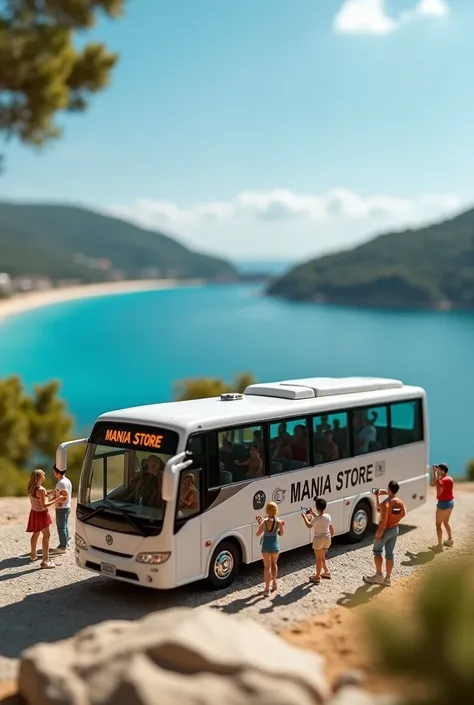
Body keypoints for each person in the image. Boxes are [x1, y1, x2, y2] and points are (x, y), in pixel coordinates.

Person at [363, 480, 406, 587]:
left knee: (377, 551)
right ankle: (387, 579)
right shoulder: (400, 502)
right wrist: (395, 520)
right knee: (390, 553)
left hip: (386, 530)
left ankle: (378, 575)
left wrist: (379, 533)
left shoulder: (386, 503)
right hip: (395, 529)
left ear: (389, 489)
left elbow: (383, 520)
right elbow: (404, 513)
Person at [26, 469, 65, 569]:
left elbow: (39, 499)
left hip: (34, 513)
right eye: (43, 475)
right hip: (42, 514)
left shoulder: (30, 487)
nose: (45, 477)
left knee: (35, 533)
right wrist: (57, 499)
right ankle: (45, 561)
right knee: (46, 536)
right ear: (39, 477)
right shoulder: (41, 489)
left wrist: (49, 494)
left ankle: (33, 555)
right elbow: (44, 505)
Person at [301, 497, 334, 584]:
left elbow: (309, 525)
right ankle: (326, 572)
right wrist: (312, 513)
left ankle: (317, 577)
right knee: (322, 556)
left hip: (319, 540)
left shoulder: (316, 519)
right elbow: (320, 518)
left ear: (316, 507)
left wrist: (304, 516)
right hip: (327, 538)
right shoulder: (328, 516)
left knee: (318, 558)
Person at [256, 502, 284, 596]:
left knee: (267, 567)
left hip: (266, 547)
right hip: (275, 546)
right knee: (274, 564)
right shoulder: (279, 522)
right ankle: (274, 583)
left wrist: (260, 523)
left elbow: (258, 533)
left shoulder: (264, 522)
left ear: (267, 510)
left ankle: (267, 589)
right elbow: (281, 533)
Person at [431, 463, 454, 549]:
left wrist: (434, 472)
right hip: (450, 503)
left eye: (439, 469)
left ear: (443, 471)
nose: (438, 471)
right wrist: (436, 473)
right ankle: (450, 540)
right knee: (446, 522)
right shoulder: (450, 479)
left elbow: (434, 483)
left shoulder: (441, 480)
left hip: (443, 504)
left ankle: (440, 545)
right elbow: (437, 482)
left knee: (438, 524)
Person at [51, 465, 72, 555]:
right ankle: (66, 543)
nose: (53, 473)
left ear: (57, 472)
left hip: (62, 508)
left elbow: (64, 496)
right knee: (65, 526)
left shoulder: (61, 483)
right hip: (67, 507)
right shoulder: (67, 481)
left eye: (54, 471)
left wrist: (56, 502)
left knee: (61, 527)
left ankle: (63, 546)